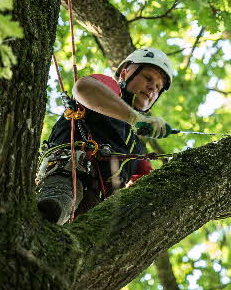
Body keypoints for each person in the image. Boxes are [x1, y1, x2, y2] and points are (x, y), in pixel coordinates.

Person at [36, 48, 174, 224]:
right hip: (68, 175)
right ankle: (46, 217)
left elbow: (152, 186)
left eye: (158, 87)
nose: (152, 88)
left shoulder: (137, 148)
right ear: (124, 74)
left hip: (95, 211)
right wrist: (135, 118)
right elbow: (83, 88)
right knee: (58, 203)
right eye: (148, 78)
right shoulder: (109, 88)